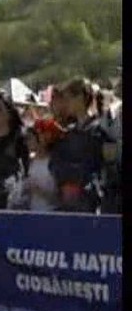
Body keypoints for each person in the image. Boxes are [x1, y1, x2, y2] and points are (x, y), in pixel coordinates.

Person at [49, 77, 113, 214]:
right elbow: (55, 163)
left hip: (90, 200)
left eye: (69, 98)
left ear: (81, 98)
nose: (66, 103)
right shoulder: (68, 133)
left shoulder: (99, 131)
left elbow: (99, 165)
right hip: (68, 201)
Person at [23, 119, 65, 212]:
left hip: (51, 214)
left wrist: (38, 190)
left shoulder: (55, 162)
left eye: (30, 138)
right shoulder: (30, 161)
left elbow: (59, 199)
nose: (27, 142)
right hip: (32, 213)